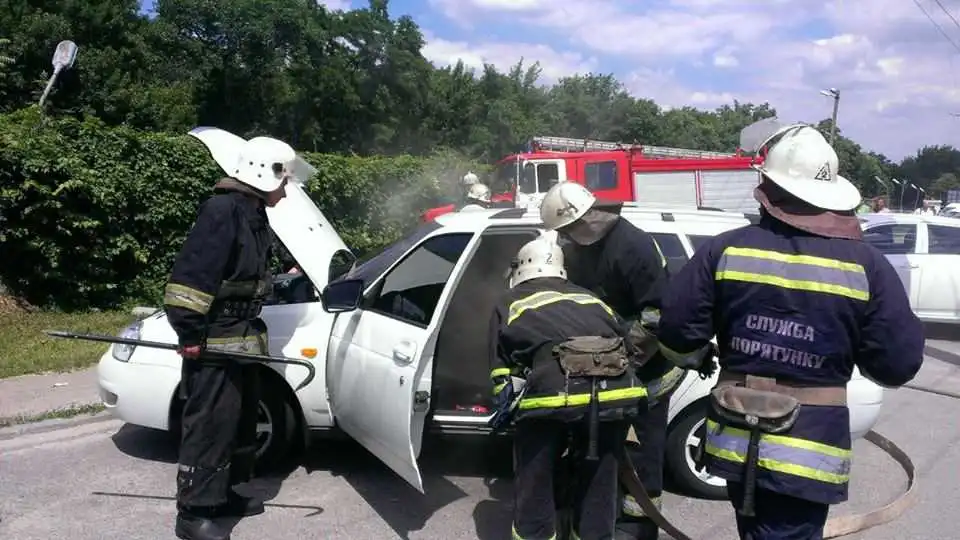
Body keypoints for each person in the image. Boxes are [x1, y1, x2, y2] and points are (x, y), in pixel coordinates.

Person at [655, 124, 924, 540]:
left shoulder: (725, 250)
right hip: (810, 451)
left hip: (736, 439)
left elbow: (676, 332)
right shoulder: (866, 266)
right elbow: (898, 364)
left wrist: (698, 354)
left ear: (768, 187)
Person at [163, 135, 299, 540]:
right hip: (213, 341)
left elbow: (242, 279)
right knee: (209, 426)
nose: (286, 188)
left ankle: (223, 495)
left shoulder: (254, 214)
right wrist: (189, 331)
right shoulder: (222, 212)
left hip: (240, 341)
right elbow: (189, 281)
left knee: (238, 425)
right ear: (264, 172)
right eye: (284, 179)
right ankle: (192, 514)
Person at [538, 182, 684, 540]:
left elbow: (656, 314)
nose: (565, 240)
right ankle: (596, 522)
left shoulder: (632, 246)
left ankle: (636, 528)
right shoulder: (584, 244)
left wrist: (622, 358)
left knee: (640, 457)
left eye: (567, 232)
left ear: (583, 220)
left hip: (646, 373)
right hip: (607, 370)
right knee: (598, 455)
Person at [489, 233, 647, 540]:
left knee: (534, 480)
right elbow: (628, 342)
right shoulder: (591, 298)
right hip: (616, 394)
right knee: (600, 481)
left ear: (521, 268)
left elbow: (501, 371)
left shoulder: (508, 301)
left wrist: (506, 410)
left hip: (552, 396)